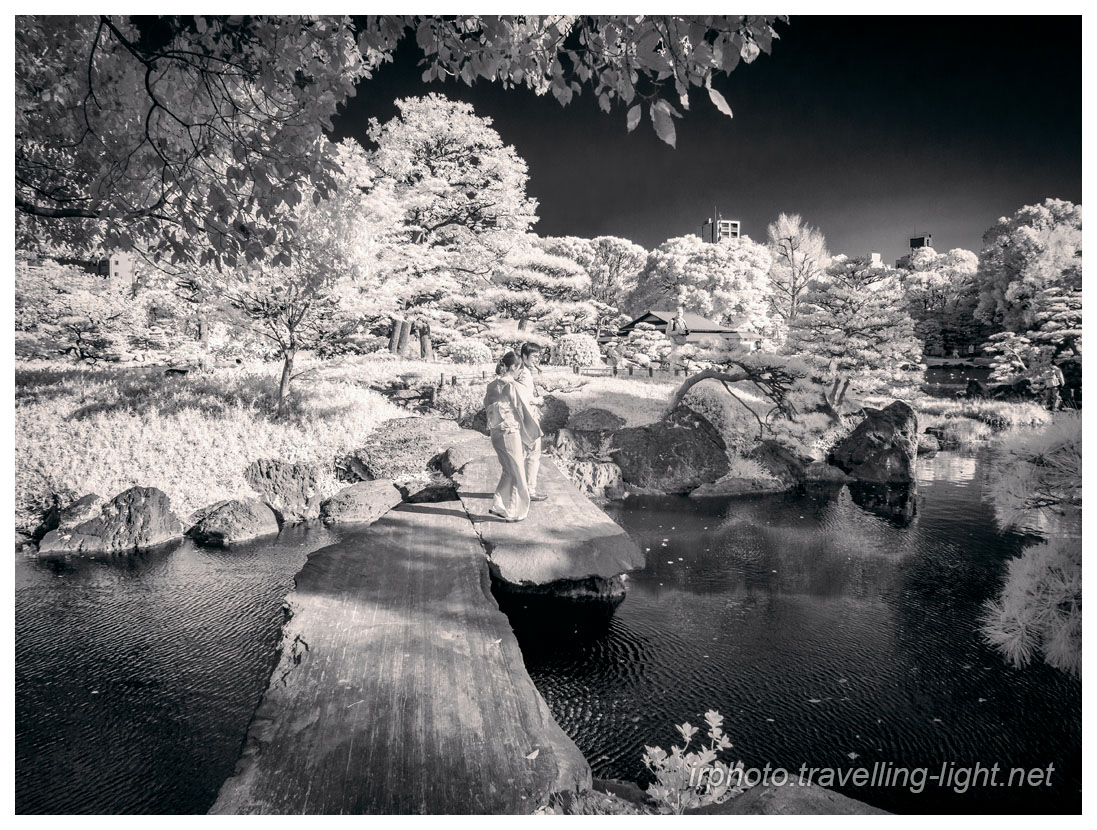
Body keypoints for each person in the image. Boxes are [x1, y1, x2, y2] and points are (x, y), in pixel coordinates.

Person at [483, 351, 542, 521]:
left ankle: (498, 505)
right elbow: (525, 410)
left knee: (508, 471)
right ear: (514, 367)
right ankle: (514, 511)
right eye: (519, 369)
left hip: (495, 432)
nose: (519, 372)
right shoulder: (513, 386)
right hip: (509, 432)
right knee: (517, 472)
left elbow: (487, 404)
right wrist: (532, 434)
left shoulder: (492, 385)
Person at [515, 342, 548, 501]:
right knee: (533, 454)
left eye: (538, 356)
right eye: (534, 356)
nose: (537, 359)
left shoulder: (519, 371)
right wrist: (538, 400)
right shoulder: (524, 374)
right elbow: (524, 398)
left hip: (521, 419)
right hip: (527, 418)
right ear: (524, 356)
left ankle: (518, 488)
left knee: (522, 454)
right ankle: (529, 490)